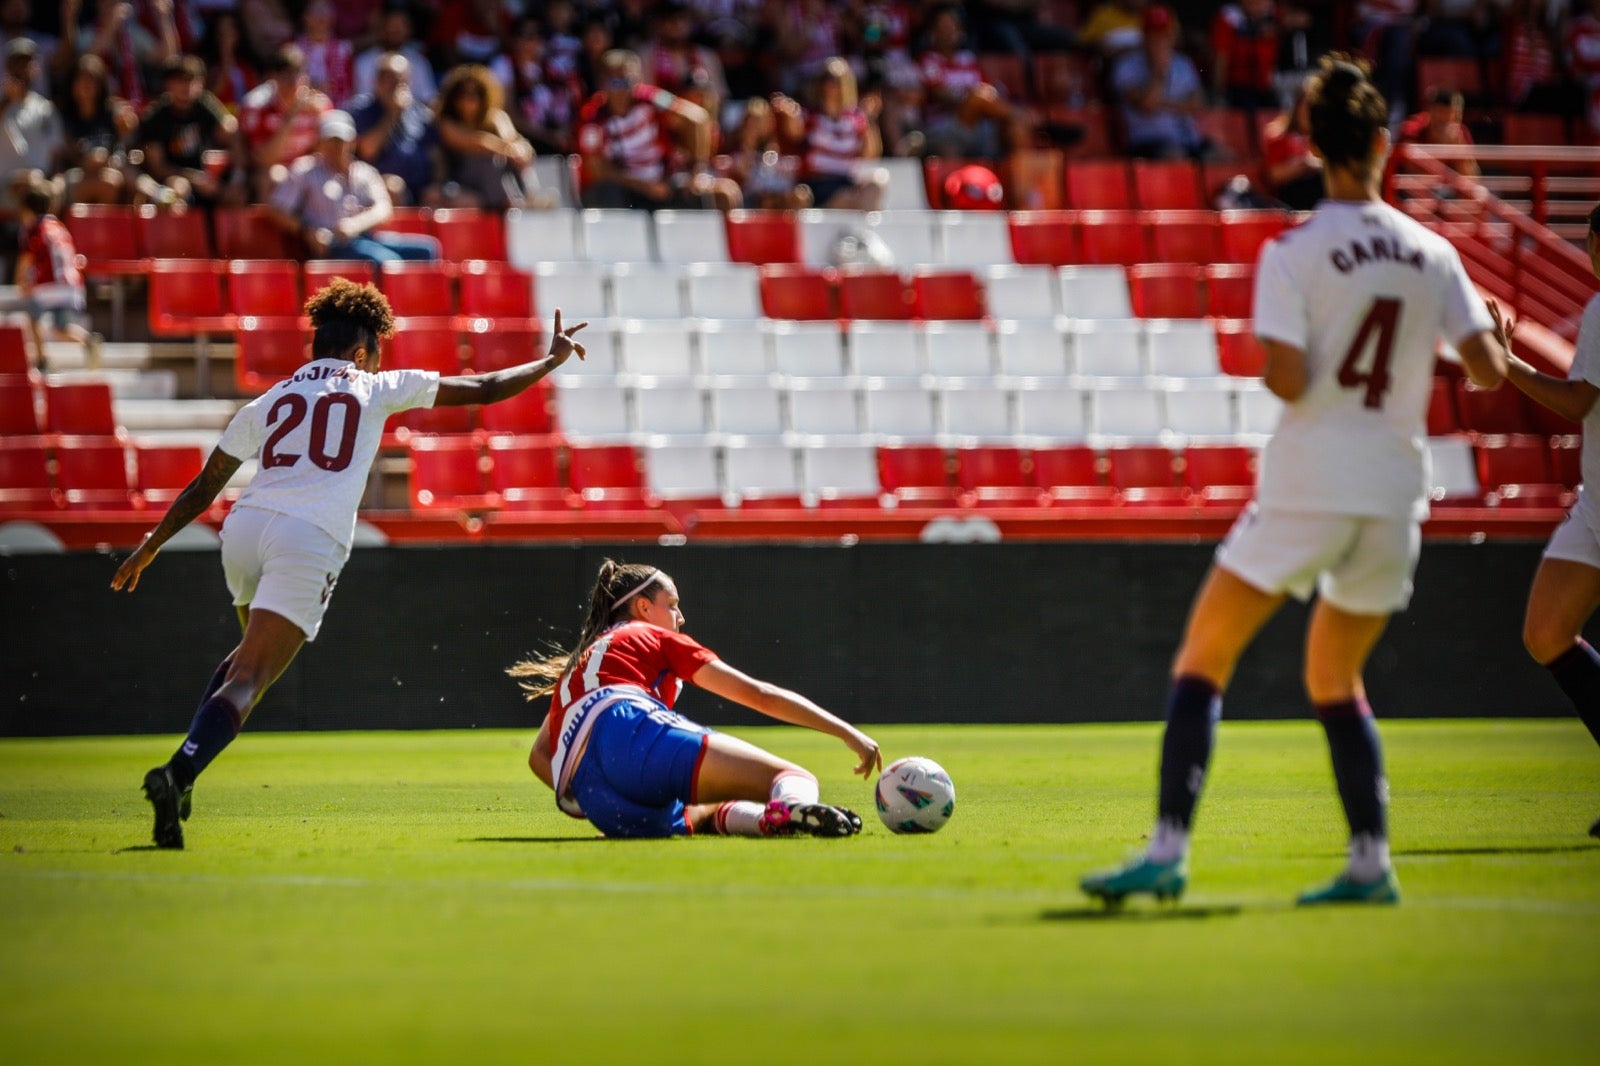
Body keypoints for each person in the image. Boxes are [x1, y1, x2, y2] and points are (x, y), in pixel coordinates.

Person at [1079, 54, 1509, 908]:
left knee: (1206, 654)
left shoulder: (1294, 251)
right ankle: (1368, 862)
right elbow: (1490, 371)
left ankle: (1167, 848)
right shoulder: (1433, 252)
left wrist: (1269, 352)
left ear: (1313, 147)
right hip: (1395, 493)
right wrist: (1489, 330)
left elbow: (1283, 377)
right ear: (1384, 144)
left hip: (1313, 481)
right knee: (1332, 679)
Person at [111, 281, 590, 849]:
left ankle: (185, 772)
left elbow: (206, 485)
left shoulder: (270, 400)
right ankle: (180, 771)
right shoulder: (375, 386)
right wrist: (550, 360)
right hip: (306, 536)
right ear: (362, 353)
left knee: (246, 660)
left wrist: (152, 543)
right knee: (253, 677)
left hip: (243, 527)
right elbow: (485, 388)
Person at [512, 560, 883, 839]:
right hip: (626, 724)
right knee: (792, 776)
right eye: (671, 604)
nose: (681, 616)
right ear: (643, 608)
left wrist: (592, 801)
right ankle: (789, 806)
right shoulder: (651, 636)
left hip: (600, 799)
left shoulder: (578, 667)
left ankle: (769, 820)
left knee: (705, 811)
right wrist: (847, 732)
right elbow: (760, 695)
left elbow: (540, 756)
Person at [1486, 202, 1600, 839]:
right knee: (1546, 630)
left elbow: (1577, 400)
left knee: (1547, 631)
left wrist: (1509, 366)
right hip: (1596, 505)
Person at [267, 110, 439, 264]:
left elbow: (383, 208)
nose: (337, 147)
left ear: (352, 142)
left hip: (365, 238)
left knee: (428, 250)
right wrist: (307, 231)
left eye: (341, 140)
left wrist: (354, 225)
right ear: (321, 143)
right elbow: (278, 209)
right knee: (389, 263)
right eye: (331, 141)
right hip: (329, 246)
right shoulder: (305, 170)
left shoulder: (365, 172)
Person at [575, 48, 736, 211]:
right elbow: (597, 169)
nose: (623, 90)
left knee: (720, 195)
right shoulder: (592, 117)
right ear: (603, 83)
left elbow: (697, 118)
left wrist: (696, 172)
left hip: (663, 182)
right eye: (616, 83)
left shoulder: (651, 98)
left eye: (629, 82)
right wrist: (645, 186)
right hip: (625, 188)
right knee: (607, 193)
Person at [135, 53, 245, 209]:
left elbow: (232, 134)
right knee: (178, 189)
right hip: (172, 179)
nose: (187, 87)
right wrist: (193, 177)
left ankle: (232, 234)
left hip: (208, 179)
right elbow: (158, 167)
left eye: (192, 80)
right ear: (168, 84)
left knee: (237, 194)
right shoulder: (155, 117)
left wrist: (237, 177)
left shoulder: (204, 104)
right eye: (181, 80)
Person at [778, 57, 888, 212]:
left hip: (845, 180)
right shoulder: (812, 116)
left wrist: (870, 121)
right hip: (819, 184)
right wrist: (788, 115)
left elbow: (871, 154)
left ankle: (861, 233)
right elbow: (795, 134)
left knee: (877, 182)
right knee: (849, 200)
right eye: (828, 79)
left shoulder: (856, 119)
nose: (833, 85)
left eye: (838, 80)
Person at [14, 176, 100, 369]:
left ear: (27, 210)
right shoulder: (60, 227)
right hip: (72, 286)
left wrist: (20, 281)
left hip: (49, 284)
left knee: (32, 315)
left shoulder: (34, 228)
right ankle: (88, 341)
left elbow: (27, 258)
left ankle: (41, 360)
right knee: (60, 329)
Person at [1112, 5, 1218, 160]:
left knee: (1220, 157)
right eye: (1154, 34)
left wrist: (1163, 105)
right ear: (1144, 35)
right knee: (1176, 157)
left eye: (1165, 34)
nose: (1161, 40)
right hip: (1148, 142)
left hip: (1187, 140)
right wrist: (1159, 71)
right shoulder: (1126, 65)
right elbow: (1147, 105)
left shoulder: (1183, 63)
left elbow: (1199, 105)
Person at [434, 64, 539, 211]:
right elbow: (478, 142)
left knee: (506, 159)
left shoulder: (495, 117)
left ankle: (525, 200)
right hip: (460, 183)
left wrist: (521, 151)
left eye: (476, 93)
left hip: (495, 182)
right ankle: (509, 204)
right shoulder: (447, 122)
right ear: (452, 97)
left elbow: (516, 145)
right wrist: (508, 150)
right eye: (462, 93)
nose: (468, 99)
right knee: (489, 159)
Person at [348, 52, 443, 206]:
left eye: (400, 80)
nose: (395, 86)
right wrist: (392, 113)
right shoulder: (361, 110)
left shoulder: (420, 112)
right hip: (375, 186)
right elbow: (368, 151)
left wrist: (438, 184)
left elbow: (435, 154)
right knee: (393, 187)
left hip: (419, 187)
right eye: (388, 79)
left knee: (454, 198)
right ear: (376, 81)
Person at [1260, 85, 1323, 211]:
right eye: (1307, 107)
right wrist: (1304, 164)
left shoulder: (1324, 137)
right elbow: (1274, 176)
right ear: (1297, 107)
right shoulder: (1279, 135)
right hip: (1289, 198)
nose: (1310, 113)